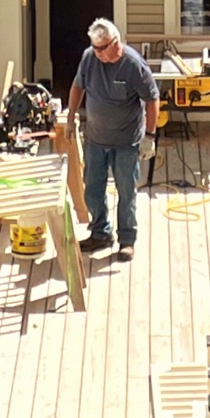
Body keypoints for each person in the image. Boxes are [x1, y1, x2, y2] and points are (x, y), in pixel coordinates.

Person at [68, 18, 159, 259]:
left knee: (126, 191)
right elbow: (78, 87)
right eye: (96, 49)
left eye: (105, 48)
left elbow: (152, 99)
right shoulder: (89, 58)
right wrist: (70, 117)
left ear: (115, 41)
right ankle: (100, 233)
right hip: (96, 140)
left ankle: (127, 240)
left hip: (126, 142)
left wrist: (150, 136)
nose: (100, 53)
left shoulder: (133, 64)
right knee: (93, 189)